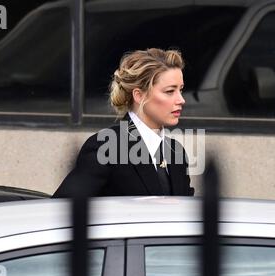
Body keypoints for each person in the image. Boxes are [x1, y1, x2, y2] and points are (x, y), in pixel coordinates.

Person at [53, 48, 194, 198]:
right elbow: (64, 211)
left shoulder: (175, 151)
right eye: (170, 91)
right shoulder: (106, 147)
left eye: (181, 90)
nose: (181, 100)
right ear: (139, 95)